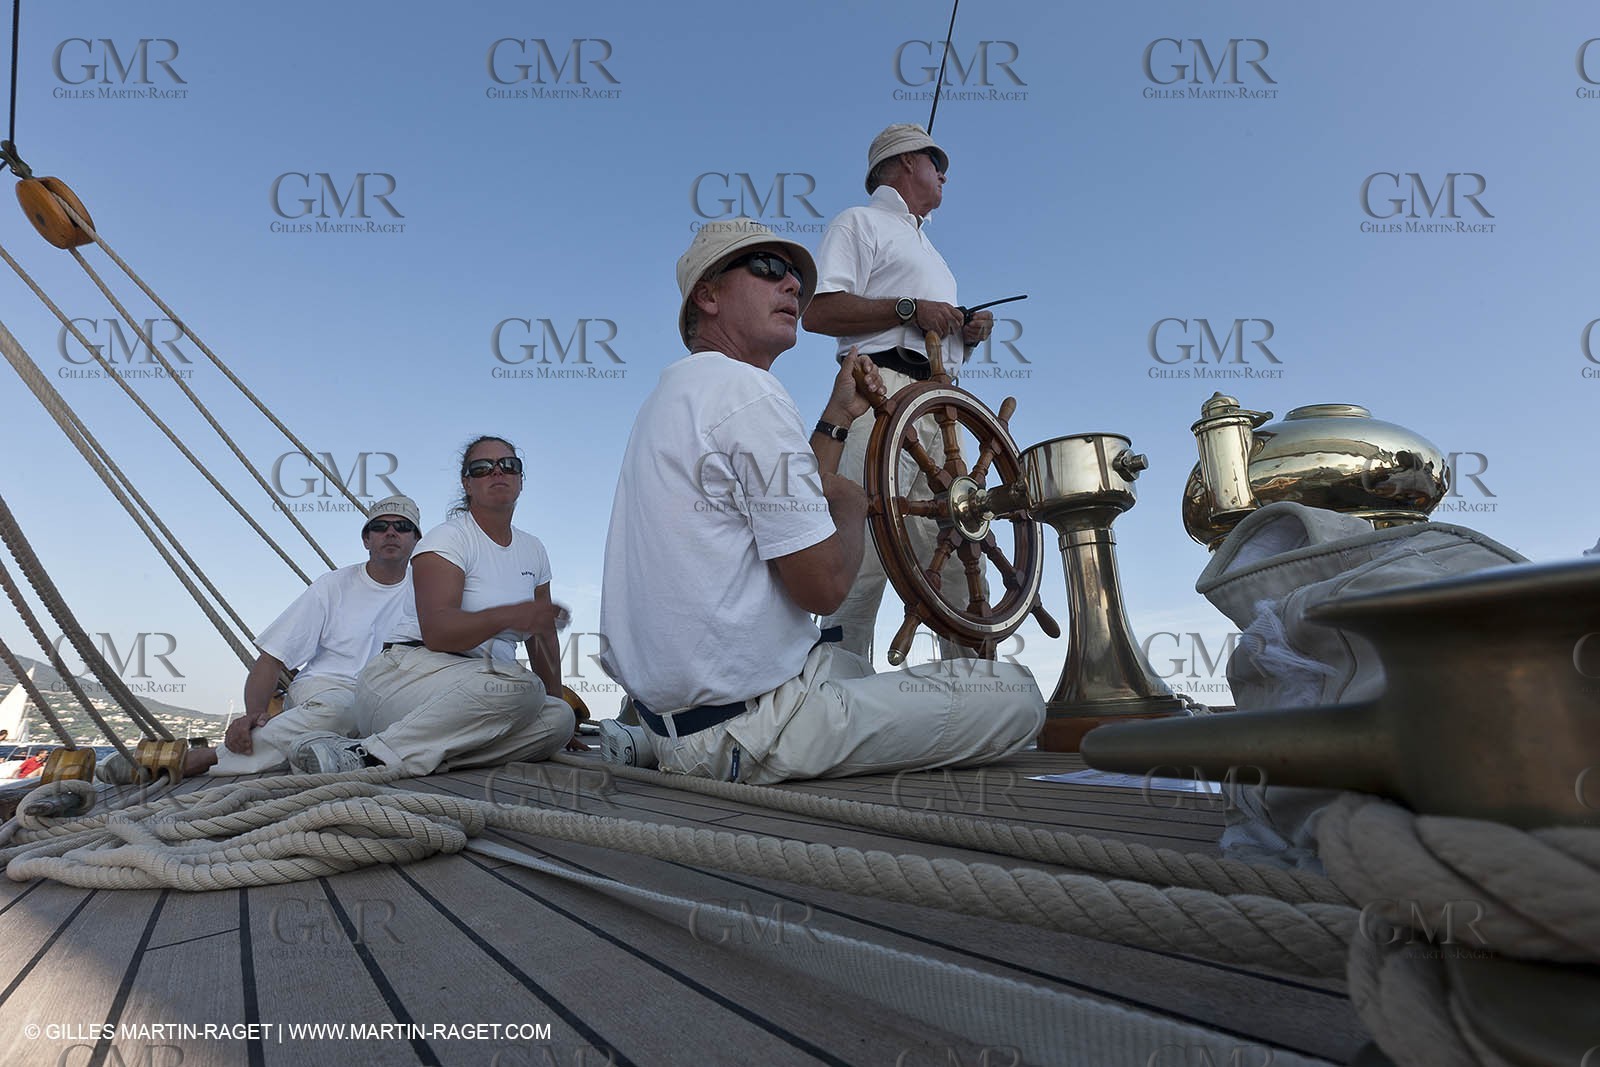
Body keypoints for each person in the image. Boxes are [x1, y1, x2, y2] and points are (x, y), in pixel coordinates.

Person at [596, 219, 1043, 784]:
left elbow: (793, 504)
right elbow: (822, 587)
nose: (791, 287)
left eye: (796, 280)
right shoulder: (747, 392)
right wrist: (858, 506)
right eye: (766, 269)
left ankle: (643, 741)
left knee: (852, 662)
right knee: (1017, 695)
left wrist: (836, 421)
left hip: (678, 720)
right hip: (755, 730)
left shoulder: (675, 394)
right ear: (707, 296)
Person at [801, 123, 994, 661]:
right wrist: (909, 308)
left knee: (955, 552)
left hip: (939, 406)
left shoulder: (932, 252)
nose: (945, 176)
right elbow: (816, 309)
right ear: (906, 161)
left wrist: (967, 334)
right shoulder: (859, 223)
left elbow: (935, 335)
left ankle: (977, 698)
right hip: (874, 393)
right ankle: (836, 698)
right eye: (937, 163)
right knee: (859, 551)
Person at [291, 436, 574, 776]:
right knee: (520, 686)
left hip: (473, 698)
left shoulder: (533, 549)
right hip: (406, 678)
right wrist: (512, 615)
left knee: (558, 719)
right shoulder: (448, 539)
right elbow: (439, 633)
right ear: (466, 483)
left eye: (509, 465)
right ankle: (367, 754)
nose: (498, 472)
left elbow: (541, 633)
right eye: (482, 468)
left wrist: (558, 704)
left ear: (520, 478)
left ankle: (410, 755)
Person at [96, 495, 422, 782]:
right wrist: (254, 715)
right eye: (380, 526)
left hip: (386, 693)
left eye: (402, 527)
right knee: (343, 710)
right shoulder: (332, 586)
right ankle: (202, 760)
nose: (391, 532)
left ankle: (218, 756)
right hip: (327, 689)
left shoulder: (429, 591)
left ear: (416, 541)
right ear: (367, 540)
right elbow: (272, 658)